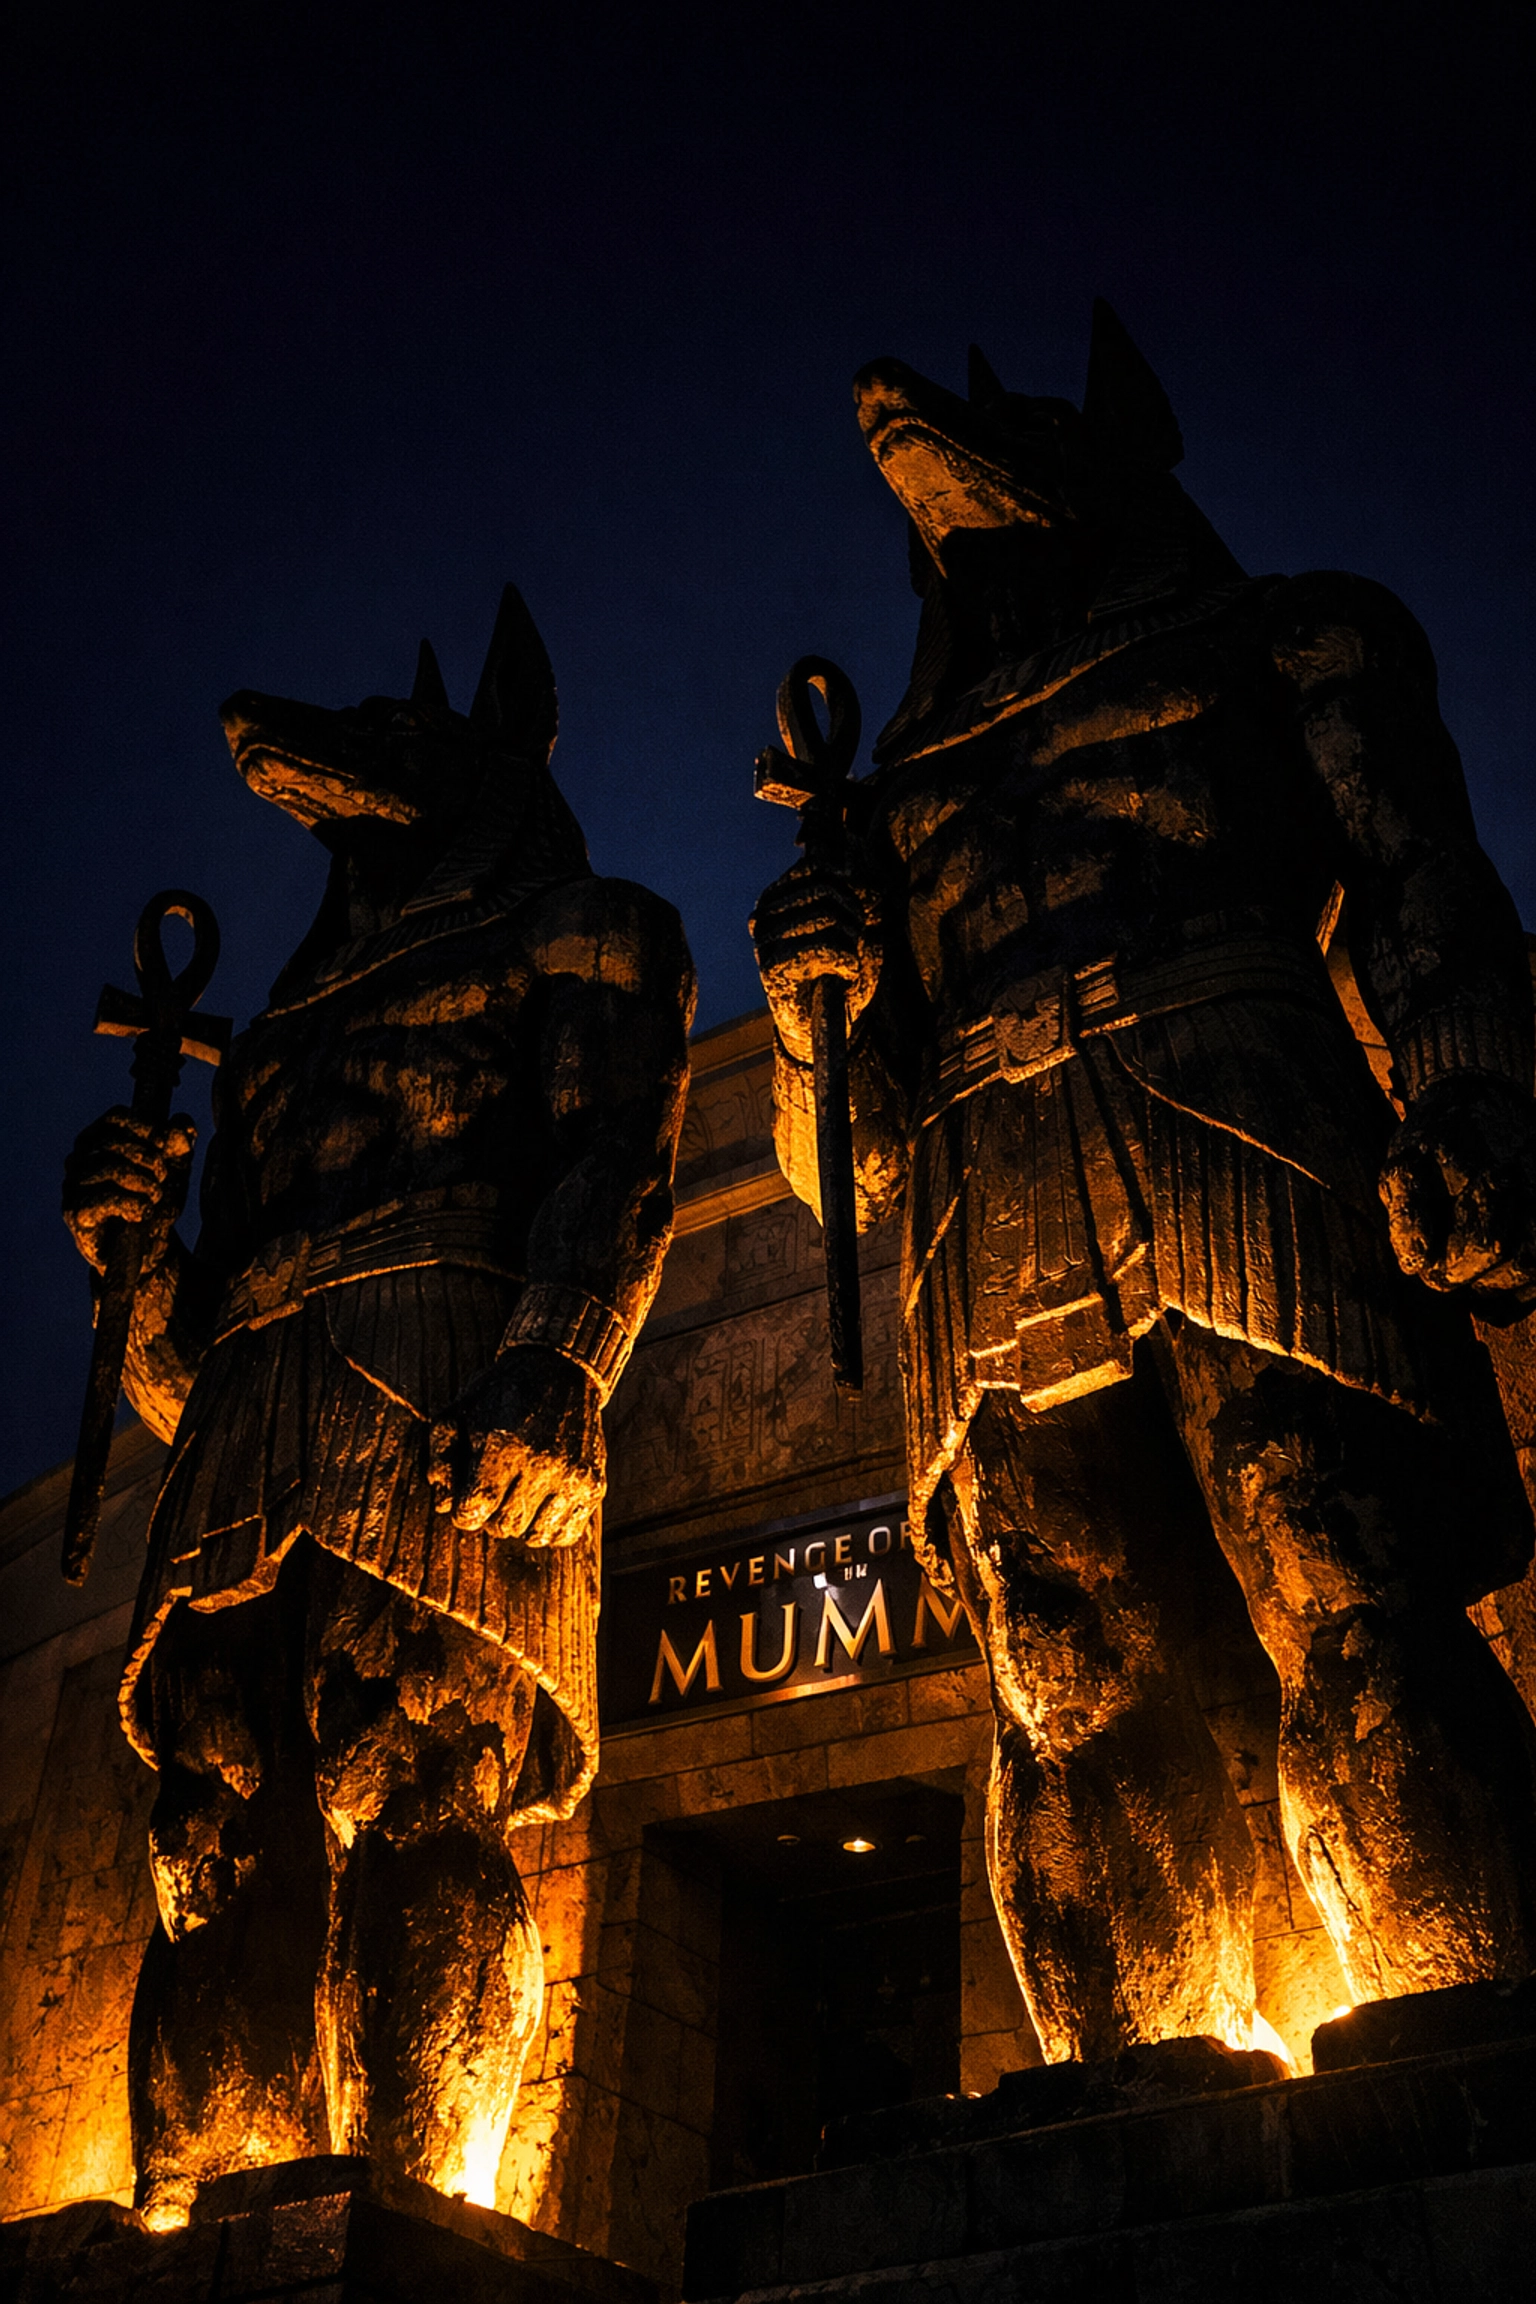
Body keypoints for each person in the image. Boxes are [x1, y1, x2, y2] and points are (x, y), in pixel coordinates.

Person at [750, 310, 1536, 2063]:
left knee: (1326, 1537)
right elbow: (844, 1161)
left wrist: (1471, 1096)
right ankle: (1142, 2069)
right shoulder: (882, 813)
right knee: (1058, 1647)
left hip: (1234, 1109)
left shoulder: (1281, 640)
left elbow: (1422, 883)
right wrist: (811, 1013)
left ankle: (1465, 2022)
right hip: (987, 1188)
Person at [63, 588, 694, 2224]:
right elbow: (177, 1370)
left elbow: (619, 1156)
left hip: (447, 1383)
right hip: (255, 1420)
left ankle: (409, 2210)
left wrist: (561, 1356)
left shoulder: (587, 929)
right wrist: (129, 1262)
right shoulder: (267, 1045)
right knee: (208, 1827)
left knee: (412, 1771)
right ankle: (199, 2210)